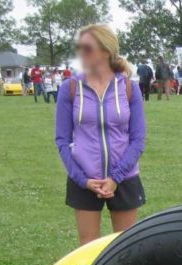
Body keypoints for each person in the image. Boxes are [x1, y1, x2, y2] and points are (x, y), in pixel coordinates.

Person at [55, 24, 146, 245]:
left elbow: (138, 139)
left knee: (126, 247)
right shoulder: (70, 88)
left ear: (106, 51)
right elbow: (62, 140)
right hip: (84, 179)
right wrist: (83, 180)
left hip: (124, 178)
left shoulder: (128, 88)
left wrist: (115, 178)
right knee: (87, 250)